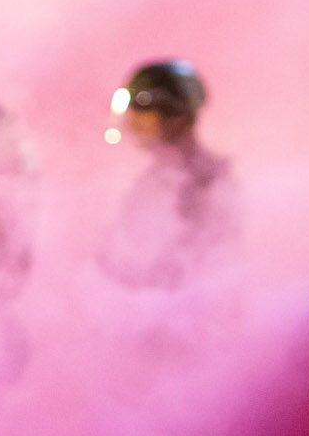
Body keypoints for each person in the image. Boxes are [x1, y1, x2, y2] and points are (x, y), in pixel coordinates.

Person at [100, 59, 236, 288]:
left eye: (142, 107)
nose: (131, 119)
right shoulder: (155, 179)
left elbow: (192, 273)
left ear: (177, 117)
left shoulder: (204, 184)